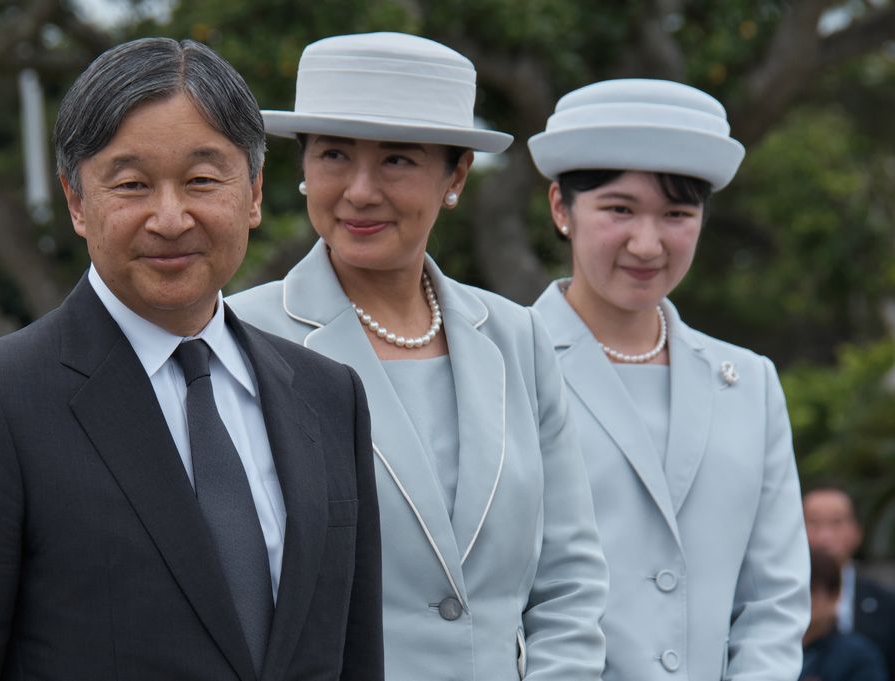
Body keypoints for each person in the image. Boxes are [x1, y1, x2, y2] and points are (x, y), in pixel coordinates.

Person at [0, 37, 383, 681]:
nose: (170, 218)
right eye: (132, 184)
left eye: (202, 180)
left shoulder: (329, 396)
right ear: (77, 201)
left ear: (253, 193)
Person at [229, 32, 608, 681]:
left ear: (455, 175)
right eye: (335, 155)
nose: (359, 190)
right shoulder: (241, 337)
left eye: (398, 160)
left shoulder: (518, 339)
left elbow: (569, 582)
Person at [528, 78, 810, 680]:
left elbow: (774, 602)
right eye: (619, 209)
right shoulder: (502, 364)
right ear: (561, 208)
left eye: (677, 214)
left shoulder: (751, 383)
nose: (648, 243)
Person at [805, 485, 895, 678]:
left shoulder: (887, 605)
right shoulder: (770, 595)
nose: (824, 536)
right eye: (812, 522)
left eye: (837, 522)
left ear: (857, 531)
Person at [802, 548, 888, 681]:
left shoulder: (857, 656)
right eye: (799, 592)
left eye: (812, 591)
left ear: (835, 596)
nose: (805, 599)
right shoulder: (769, 641)